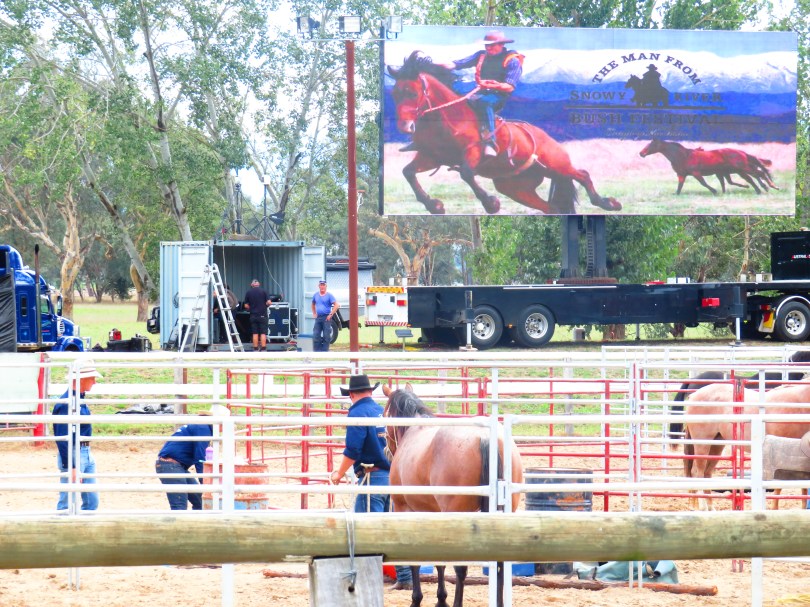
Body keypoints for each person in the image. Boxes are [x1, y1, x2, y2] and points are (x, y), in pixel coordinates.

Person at [329, 374, 413, 591]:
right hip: (392, 477)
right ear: (370, 391)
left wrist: (338, 473)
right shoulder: (381, 411)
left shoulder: (357, 413)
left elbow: (353, 449)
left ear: (351, 394)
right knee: (391, 527)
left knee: (364, 530)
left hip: (371, 476)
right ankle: (405, 576)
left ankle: (368, 578)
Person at [438, 30, 524, 156]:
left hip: (498, 96)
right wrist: (430, 63)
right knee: (457, 103)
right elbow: (455, 64)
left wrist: (492, 85)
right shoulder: (481, 55)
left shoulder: (512, 60)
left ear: (501, 45)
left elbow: (509, 87)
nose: (488, 48)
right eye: (486, 45)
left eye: (492, 45)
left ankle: (490, 142)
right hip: (480, 92)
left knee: (484, 102)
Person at [155, 406, 228, 510]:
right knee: (180, 506)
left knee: (199, 501)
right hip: (171, 465)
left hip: (174, 465)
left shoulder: (201, 425)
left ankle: (196, 520)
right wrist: (204, 482)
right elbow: (200, 457)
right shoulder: (203, 428)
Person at [53, 360, 101, 511]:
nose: (94, 381)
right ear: (81, 379)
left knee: (90, 500)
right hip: (75, 452)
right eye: (91, 378)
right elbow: (62, 438)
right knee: (69, 500)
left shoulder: (77, 399)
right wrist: (71, 465)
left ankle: (82, 523)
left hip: (83, 451)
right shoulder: (68, 403)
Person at [243, 278, 273, 351]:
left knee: (255, 333)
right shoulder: (264, 291)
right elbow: (269, 302)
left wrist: (251, 308)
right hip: (263, 315)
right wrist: (266, 305)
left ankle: (255, 348)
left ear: (251, 285)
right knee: (263, 333)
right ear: (258, 284)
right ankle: (263, 348)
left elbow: (246, 305)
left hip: (253, 315)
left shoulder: (248, 292)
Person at [311, 279, 339, 352]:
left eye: (323, 285)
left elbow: (336, 305)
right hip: (318, 317)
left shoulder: (329, 295)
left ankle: (325, 351)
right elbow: (313, 304)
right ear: (319, 286)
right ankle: (317, 351)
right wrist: (314, 313)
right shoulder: (316, 295)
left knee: (326, 335)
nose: (322, 286)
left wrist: (331, 314)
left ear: (326, 286)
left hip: (326, 317)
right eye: (321, 285)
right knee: (316, 334)